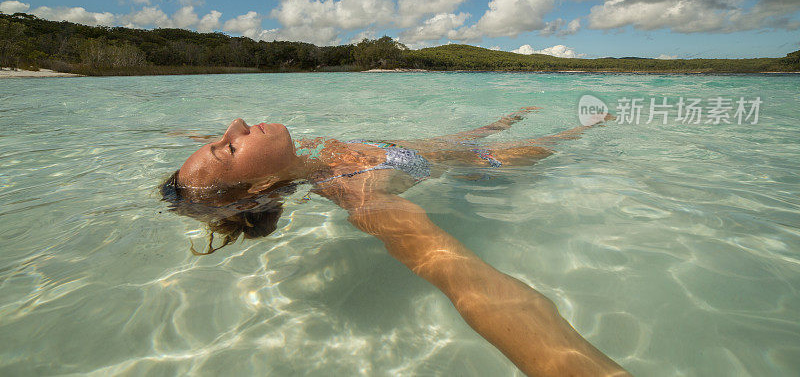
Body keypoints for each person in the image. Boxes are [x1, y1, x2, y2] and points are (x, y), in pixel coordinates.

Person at [162, 108, 628, 376]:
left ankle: (510, 119)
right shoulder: (356, 192)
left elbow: (209, 160)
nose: (236, 125)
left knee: (492, 125)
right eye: (228, 146)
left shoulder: (300, 157)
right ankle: (585, 128)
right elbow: (468, 284)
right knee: (560, 139)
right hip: (474, 163)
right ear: (259, 188)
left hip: (423, 144)